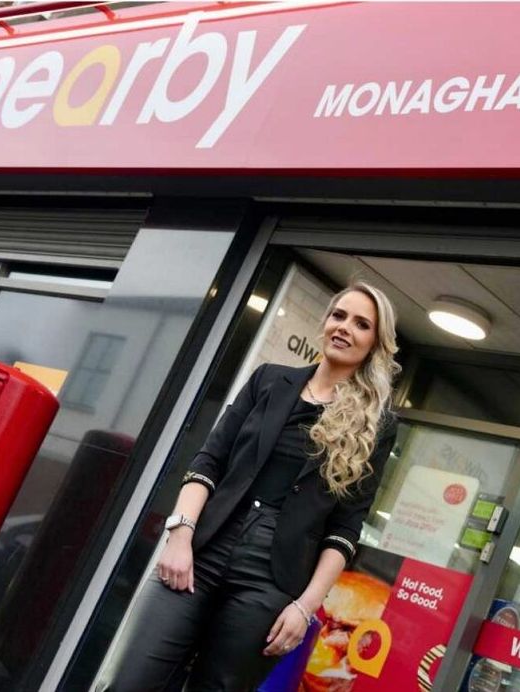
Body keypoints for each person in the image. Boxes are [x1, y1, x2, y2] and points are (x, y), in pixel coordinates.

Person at [103, 282, 401, 692]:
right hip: (203, 550)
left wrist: (305, 606)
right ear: (325, 322)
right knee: (131, 682)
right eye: (339, 315)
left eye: (361, 324)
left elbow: (345, 528)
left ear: (374, 343)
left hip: (270, 581)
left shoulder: (376, 426)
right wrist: (179, 534)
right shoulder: (268, 380)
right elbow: (208, 461)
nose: (345, 327)